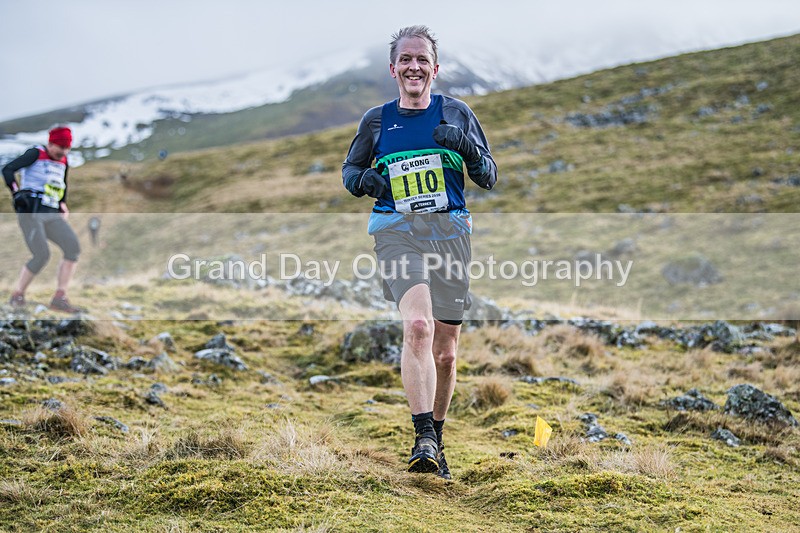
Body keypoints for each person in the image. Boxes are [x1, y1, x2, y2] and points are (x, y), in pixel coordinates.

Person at [342, 25, 497, 478]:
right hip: (396, 231)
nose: (414, 66)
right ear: (394, 69)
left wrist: (465, 146)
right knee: (417, 325)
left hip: (451, 234)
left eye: (421, 59)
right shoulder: (377, 119)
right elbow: (351, 169)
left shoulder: (457, 112)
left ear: (435, 67)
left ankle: (438, 440)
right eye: (405, 59)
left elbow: (487, 175)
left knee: (446, 353)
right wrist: (363, 182)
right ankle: (422, 435)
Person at [3, 126, 82, 313]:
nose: (62, 152)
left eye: (66, 148)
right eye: (59, 147)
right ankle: (17, 295)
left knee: (73, 248)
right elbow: (8, 170)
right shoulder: (34, 154)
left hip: (51, 212)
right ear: (50, 143)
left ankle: (60, 297)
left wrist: (62, 203)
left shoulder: (64, 161)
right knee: (41, 254)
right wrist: (16, 192)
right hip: (31, 211)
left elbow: (63, 184)